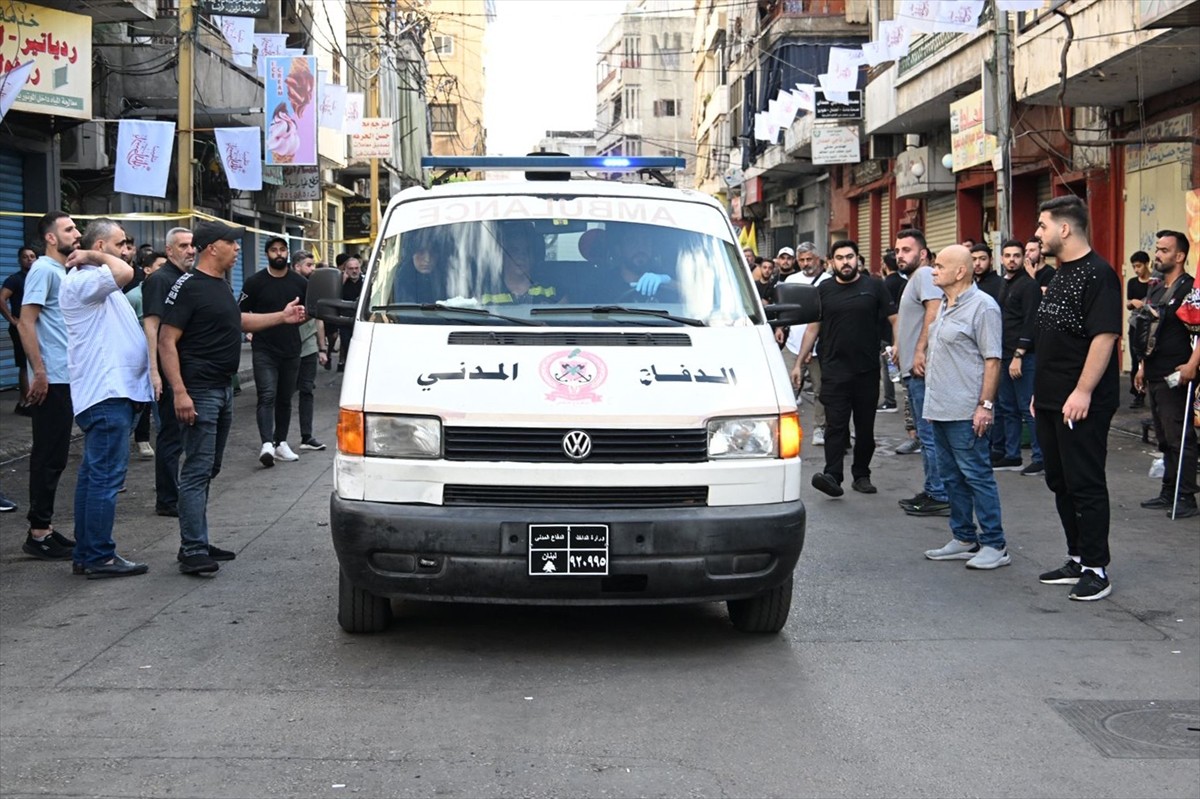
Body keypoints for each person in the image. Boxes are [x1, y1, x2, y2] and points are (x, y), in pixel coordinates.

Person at [158, 220, 306, 575]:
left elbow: (240, 321)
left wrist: (282, 317)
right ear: (212, 248)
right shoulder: (189, 286)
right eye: (233, 243)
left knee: (209, 468)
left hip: (222, 389)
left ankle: (197, 538)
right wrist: (179, 392)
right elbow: (166, 340)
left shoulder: (221, 286)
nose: (239, 249)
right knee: (196, 470)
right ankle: (193, 549)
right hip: (199, 390)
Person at [1032, 195, 1122, 602]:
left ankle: (1097, 568)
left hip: (1082, 401)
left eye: (1042, 225)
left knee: (1085, 482)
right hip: (1051, 400)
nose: (1037, 233)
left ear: (1064, 229)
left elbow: (1104, 337)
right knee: (1059, 481)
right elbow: (1052, 342)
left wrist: (1083, 391)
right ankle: (1077, 556)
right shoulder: (1060, 273)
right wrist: (1040, 395)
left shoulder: (1098, 275)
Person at [59, 218, 153, 578]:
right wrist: (89, 255)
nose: (126, 251)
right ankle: (99, 555)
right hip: (107, 395)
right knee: (105, 478)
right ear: (99, 248)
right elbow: (126, 272)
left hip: (111, 395)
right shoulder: (86, 279)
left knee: (94, 476)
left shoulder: (93, 282)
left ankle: (88, 552)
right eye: (119, 244)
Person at [921, 245, 1009, 569]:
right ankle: (963, 537)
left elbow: (993, 360)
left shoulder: (984, 307)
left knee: (977, 475)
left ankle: (995, 544)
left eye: (939, 266)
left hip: (966, 410)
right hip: (940, 407)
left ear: (960, 271)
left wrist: (985, 405)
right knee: (951, 477)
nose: (933, 270)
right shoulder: (945, 304)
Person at [794, 240, 896, 497]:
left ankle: (861, 475)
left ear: (858, 259)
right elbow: (813, 328)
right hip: (834, 370)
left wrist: (901, 349)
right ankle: (833, 475)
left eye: (849, 257)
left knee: (864, 429)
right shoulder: (824, 289)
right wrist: (798, 363)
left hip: (866, 371)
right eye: (839, 258)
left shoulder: (875, 286)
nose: (845, 262)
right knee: (835, 426)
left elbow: (895, 320)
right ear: (831, 262)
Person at [17, 212, 80, 560]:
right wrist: (38, 372)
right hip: (51, 378)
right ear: (51, 238)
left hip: (64, 376)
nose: (77, 232)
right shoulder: (43, 269)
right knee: (47, 455)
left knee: (55, 455)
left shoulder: (61, 271)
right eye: (69, 228)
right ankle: (38, 532)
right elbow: (27, 323)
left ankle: (45, 528)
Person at [1134, 230, 1197, 519]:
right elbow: (1149, 330)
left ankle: (1185, 497)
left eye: (1164, 250)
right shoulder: (1156, 288)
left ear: (1180, 256)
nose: (1157, 254)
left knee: (1179, 438)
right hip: (1155, 373)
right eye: (1157, 249)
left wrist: (1192, 365)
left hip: (1178, 374)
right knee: (1163, 437)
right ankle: (1168, 491)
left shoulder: (1190, 288)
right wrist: (1142, 367)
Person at [894, 228, 950, 517]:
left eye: (907, 250)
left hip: (920, 371)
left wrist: (919, 351)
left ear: (923, 254)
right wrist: (897, 345)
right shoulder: (915, 279)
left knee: (929, 436)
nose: (900, 255)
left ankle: (939, 494)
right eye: (898, 250)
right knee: (926, 435)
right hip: (910, 369)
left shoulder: (926, 275)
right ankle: (932, 489)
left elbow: (934, 309)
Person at [241, 235, 308, 466]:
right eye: (274, 250)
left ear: (287, 253)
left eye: (282, 250)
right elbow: (241, 312)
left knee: (285, 398)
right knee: (267, 395)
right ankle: (266, 444)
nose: (279, 254)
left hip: (291, 348)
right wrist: (250, 329)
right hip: (264, 349)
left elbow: (308, 311)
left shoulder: (299, 283)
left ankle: (281, 443)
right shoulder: (254, 282)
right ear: (266, 254)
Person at [142, 227, 195, 517]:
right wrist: (155, 371)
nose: (190, 250)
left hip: (187, 366)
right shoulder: (160, 280)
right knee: (170, 436)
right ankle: (167, 499)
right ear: (169, 250)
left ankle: (179, 492)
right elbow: (151, 326)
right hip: (168, 368)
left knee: (183, 435)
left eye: (192, 245)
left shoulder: (186, 279)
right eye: (183, 245)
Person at [994, 238, 1044, 477]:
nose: (1011, 259)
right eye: (1007, 255)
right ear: (1002, 258)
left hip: (1023, 357)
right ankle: (1012, 455)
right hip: (1003, 355)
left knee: (1028, 408)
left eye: (1016, 255)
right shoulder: (1005, 284)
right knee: (1007, 408)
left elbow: (1031, 322)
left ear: (1024, 257)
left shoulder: (1029, 286)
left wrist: (1019, 355)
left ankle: (1040, 458)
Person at [783, 242, 827, 443]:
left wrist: (812, 346)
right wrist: (779, 328)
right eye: (801, 260)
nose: (805, 264)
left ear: (817, 259)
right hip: (793, 345)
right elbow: (785, 310)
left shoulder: (828, 282)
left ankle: (820, 428)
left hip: (820, 349)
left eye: (809, 259)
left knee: (821, 391)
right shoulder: (791, 280)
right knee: (787, 388)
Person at [127, 250, 167, 459]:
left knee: (166, 425)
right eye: (161, 267)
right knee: (132, 416)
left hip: (164, 366)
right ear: (147, 270)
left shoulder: (172, 295)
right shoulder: (133, 297)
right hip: (140, 366)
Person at [291, 250, 327, 451]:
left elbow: (318, 318)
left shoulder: (313, 288)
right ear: (297, 266)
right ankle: (275, 440)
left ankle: (307, 436)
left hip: (308, 346)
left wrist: (322, 348)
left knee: (307, 390)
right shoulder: (285, 284)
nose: (313, 269)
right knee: (281, 394)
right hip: (286, 346)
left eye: (313, 265)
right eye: (309, 265)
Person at [481, 223, 557, 305]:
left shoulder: (549, 289)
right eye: (515, 250)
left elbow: (564, 314)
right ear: (503, 256)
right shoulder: (487, 292)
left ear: (534, 256)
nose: (522, 256)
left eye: (526, 251)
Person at [1, 245, 36, 415]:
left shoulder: (36, 278)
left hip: (35, 327)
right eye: (25, 257)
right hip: (21, 328)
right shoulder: (15, 279)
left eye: (32, 256)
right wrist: (12, 320)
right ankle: (25, 403)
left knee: (34, 363)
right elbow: (1, 299)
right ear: (19, 260)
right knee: (24, 364)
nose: (29, 259)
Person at [1126, 250, 1152, 408]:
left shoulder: (1155, 282)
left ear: (1146, 264)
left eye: (1139, 266)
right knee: (1136, 359)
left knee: (1149, 359)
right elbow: (1128, 304)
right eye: (1134, 267)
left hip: (1150, 323)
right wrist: (1133, 302)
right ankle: (1138, 394)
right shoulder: (1132, 282)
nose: (1136, 270)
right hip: (1136, 324)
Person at [878, 250, 903, 413]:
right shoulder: (905, 282)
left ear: (885, 265)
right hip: (902, 331)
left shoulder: (884, 285)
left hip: (886, 333)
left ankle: (889, 399)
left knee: (887, 367)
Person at [337, 255, 364, 370]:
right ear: (346, 270)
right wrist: (341, 281)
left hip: (361, 320)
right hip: (345, 320)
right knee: (347, 344)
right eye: (351, 268)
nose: (354, 271)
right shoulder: (340, 282)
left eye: (356, 268)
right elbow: (334, 296)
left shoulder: (365, 282)